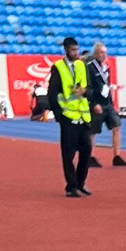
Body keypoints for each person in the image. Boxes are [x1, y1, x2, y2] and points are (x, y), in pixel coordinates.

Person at [48, 38, 102, 197]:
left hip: (83, 117)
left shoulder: (82, 65)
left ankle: (80, 183)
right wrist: (59, 115)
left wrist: (86, 93)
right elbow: (53, 93)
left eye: (77, 50)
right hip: (67, 117)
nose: (76, 53)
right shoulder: (58, 67)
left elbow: (91, 88)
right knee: (68, 154)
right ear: (65, 50)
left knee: (86, 153)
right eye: (72, 50)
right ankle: (71, 186)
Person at [88, 44, 126, 167]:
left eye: (105, 52)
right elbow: (88, 87)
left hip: (107, 103)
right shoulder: (90, 67)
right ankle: (91, 156)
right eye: (101, 52)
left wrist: (112, 103)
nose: (104, 55)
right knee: (92, 131)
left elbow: (107, 86)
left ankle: (116, 156)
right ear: (95, 53)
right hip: (96, 103)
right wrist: (94, 103)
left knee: (116, 126)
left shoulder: (106, 66)